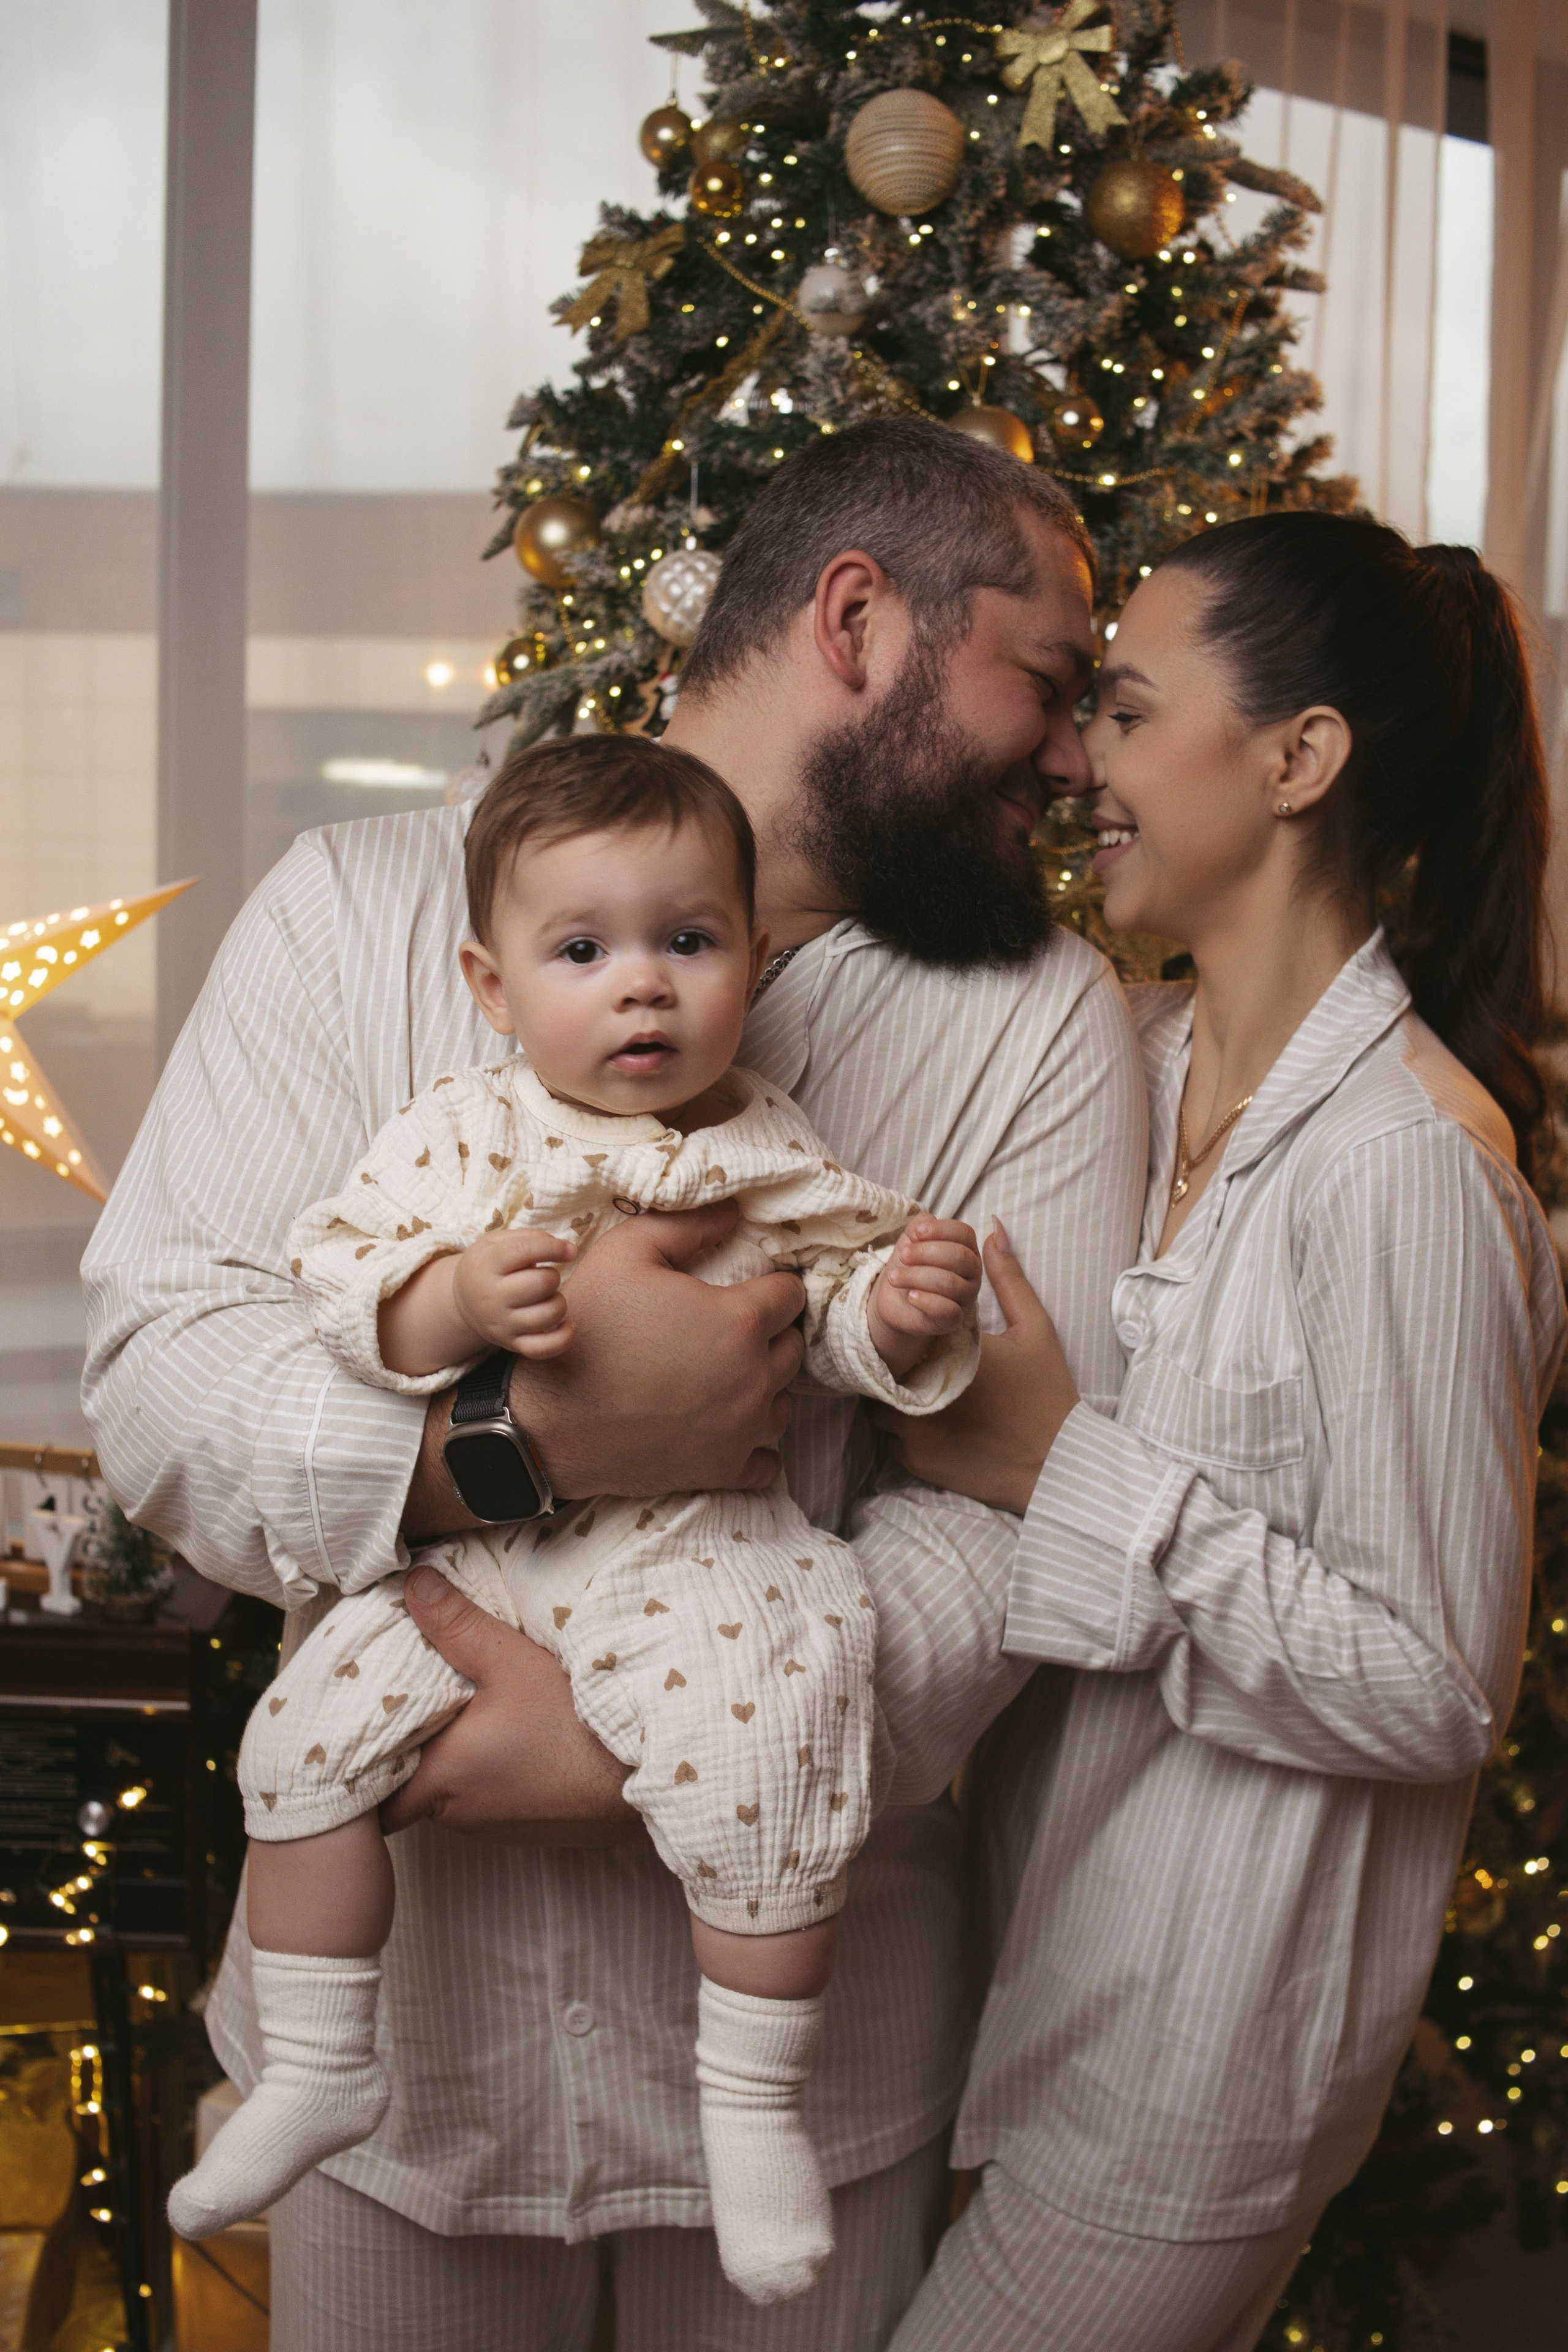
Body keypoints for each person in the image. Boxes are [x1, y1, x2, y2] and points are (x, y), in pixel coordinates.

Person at [82, 417, 1146, 2350]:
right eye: (1050, 683)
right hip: (409, 2080)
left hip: (816, 2091)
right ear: (856, 620)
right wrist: (511, 1447)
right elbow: (166, 1367)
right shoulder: (359, 914)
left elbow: (1019, 1518)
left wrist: (641, 1747)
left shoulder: (1046, 1024)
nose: (1077, 759)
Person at [168, 733, 984, 2306]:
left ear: (751, 958)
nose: (642, 990)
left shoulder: (770, 1151)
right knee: (300, 1748)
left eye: (688, 944)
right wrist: (451, 1296)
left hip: (693, 1556)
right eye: (583, 952)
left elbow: (823, 1328)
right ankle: (323, 2062)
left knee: (768, 1736)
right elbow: (342, 1280)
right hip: (479, 1559)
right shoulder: (459, 1134)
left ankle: (751, 2111)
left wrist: (896, 1310)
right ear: (491, 985)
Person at [875, 513, 1567, 2352]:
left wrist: (1066, 1474)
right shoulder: (1130, 1058)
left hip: (1204, 2055)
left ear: (1298, 757)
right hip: (1030, 1977)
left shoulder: (1412, 1169)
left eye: (1123, 704)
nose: (1074, 756)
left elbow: (1432, 1687)